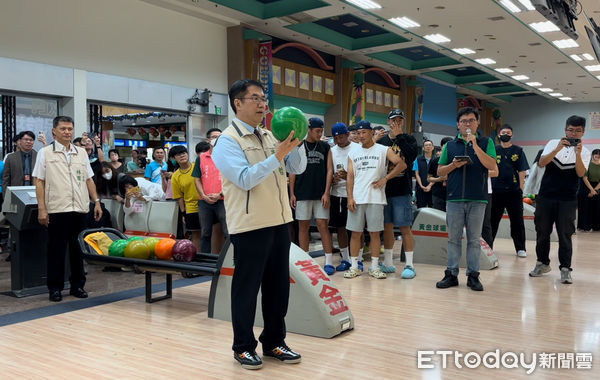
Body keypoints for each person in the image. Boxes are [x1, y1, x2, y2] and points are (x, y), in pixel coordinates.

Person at [212, 79, 306, 370]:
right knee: (246, 289)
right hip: (250, 226)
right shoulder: (227, 141)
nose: (263, 104)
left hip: (279, 222)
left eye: (263, 98)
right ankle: (243, 347)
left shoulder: (268, 135)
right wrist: (278, 154)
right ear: (238, 103)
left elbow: (297, 168)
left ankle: (274, 341)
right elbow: (244, 179)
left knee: (279, 289)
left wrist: (295, 143)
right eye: (255, 98)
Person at [32, 116, 102, 302]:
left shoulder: (81, 152)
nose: (67, 132)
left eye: (70, 129)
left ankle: (78, 285)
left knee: (77, 249)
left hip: (79, 208)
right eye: (63, 129)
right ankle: (55, 288)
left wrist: (96, 201)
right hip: (56, 209)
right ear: (54, 131)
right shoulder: (45, 153)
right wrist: (42, 209)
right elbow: (39, 181)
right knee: (56, 250)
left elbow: (89, 179)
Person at [435, 107, 497, 292]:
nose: (467, 124)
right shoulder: (450, 146)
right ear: (458, 124)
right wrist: (453, 165)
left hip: (478, 199)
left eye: (471, 120)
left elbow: (491, 164)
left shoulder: (486, 142)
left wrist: (475, 146)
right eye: (463, 121)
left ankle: (473, 275)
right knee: (453, 239)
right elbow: (440, 171)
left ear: (477, 123)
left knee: (474, 240)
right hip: (454, 199)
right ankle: (451, 274)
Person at [529, 115, 591, 284]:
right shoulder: (552, 143)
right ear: (565, 129)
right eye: (570, 130)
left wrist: (578, 154)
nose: (573, 134)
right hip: (546, 196)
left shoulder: (585, 152)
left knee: (565, 234)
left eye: (578, 131)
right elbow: (541, 163)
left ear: (583, 132)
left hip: (568, 199)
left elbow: (580, 173)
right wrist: (556, 149)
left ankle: (565, 268)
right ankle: (542, 263)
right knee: (542, 232)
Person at [344, 120, 408, 280]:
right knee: (355, 234)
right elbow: (350, 176)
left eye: (363, 132)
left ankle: (374, 267)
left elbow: (401, 165)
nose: (360, 136)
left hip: (376, 198)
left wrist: (385, 178)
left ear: (371, 133)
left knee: (374, 234)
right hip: (357, 199)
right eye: (358, 133)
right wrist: (350, 197)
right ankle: (354, 266)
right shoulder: (353, 153)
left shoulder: (383, 149)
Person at [289, 117, 334, 274]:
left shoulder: (325, 147)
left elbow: (330, 170)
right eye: (317, 131)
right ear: (309, 130)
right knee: (303, 227)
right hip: (302, 192)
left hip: (320, 193)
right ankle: (305, 260)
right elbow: (292, 170)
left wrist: (327, 192)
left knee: (323, 225)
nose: (320, 133)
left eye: (321, 131)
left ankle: (329, 261)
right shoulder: (298, 146)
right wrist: (292, 193)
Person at [377, 109, 419, 278]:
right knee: (387, 226)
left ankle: (409, 264)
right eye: (393, 120)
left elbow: (409, 158)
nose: (396, 123)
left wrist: (400, 136)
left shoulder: (409, 139)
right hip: (383, 190)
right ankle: (388, 262)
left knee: (405, 227)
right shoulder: (382, 140)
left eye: (399, 120)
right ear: (388, 121)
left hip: (402, 190)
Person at [489, 124, 529, 257]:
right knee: (492, 220)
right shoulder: (493, 150)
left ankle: (520, 248)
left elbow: (522, 170)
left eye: (508, 132)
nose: (506, 134)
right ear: (499, 135)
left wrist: (521, 188)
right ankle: (488, 247)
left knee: (517, 220)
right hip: (496, 190)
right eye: (503, 132)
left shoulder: (518, 150)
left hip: (514, 191)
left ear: (512, 135)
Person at [329, 123, 358, 272]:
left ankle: (357, 260)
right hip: (336, 194)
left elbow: (362, 173)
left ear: (347, 135)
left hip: (353, 194)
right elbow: (329, 171)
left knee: (355, 228)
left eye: (341, 137)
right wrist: (333, 179)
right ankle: (345, 258)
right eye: (336, 138)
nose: (339, 140)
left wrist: (349, 176)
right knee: (340, 228)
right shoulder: (331, 151)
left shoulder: (357, 148)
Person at [193, 139, 227, 254]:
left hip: (223, 200)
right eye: (214, 138)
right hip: (204, 201)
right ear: (209, 141)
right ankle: (205, 261)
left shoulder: (227, 157)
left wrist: (220, 194)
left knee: (228, 232)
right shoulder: (201, 158)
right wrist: (203, 195)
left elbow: (232, 179)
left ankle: (229, 261)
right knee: (205, 232)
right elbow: (197, 179)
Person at [428, 137, 453, 211]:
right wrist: (439, 179)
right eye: (445, 146)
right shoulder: (435, 161)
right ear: (442, 147)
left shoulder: (456, 161)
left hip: (452, 194)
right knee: (437, 217)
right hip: (438, 194)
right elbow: (429, 178)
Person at [577, 149, 600, 231]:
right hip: (587, 187)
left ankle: (597, 227)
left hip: (597, 188)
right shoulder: (587, 164)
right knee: (587, 208)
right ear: (592, 155)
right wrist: (591, 190)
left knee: (597, 208)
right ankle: (585, 226)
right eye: (595, 154)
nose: (597, 155)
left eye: (599, 154)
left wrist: (595, 190)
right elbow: (584, 178)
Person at [413, 139, 434, 208]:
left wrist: (430, 186)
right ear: (423, 148)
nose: (428, 147)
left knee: (433, 210)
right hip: (420, 188)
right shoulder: (418, 159)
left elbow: (437, 175)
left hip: (433, 189)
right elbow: (417, 174)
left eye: (430, 145)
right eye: (426, 145)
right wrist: (421, 185)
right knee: (420, 209)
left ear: (433, 147)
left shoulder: (436, 160)